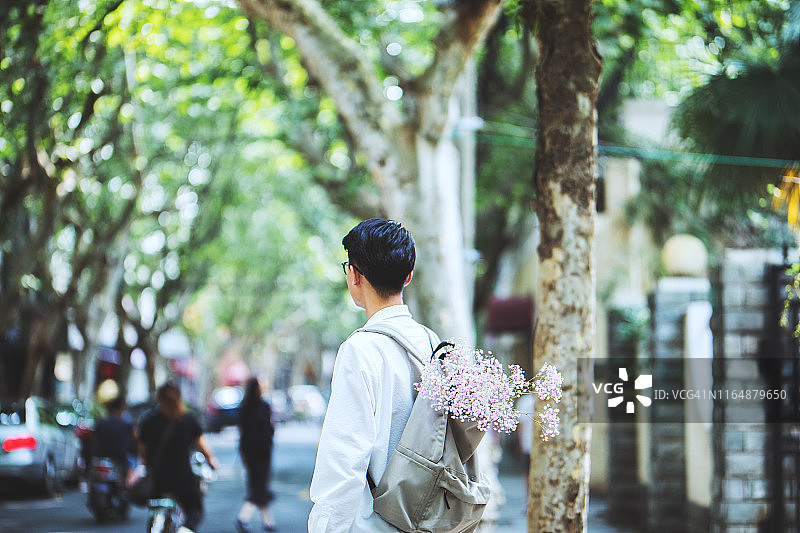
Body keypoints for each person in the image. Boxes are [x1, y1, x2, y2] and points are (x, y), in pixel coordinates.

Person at [308, 218, 435, 532]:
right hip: (431, 520)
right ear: (408, 276)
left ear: (353, 275)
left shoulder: (360, 350)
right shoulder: (433, 343)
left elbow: (343, 463)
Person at [138, 381, 218, 532]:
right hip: (182, 479)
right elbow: (204, 448)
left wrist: (145, 464)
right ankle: (185, 529)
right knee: (195, 510)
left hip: (157, 479)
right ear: (179, 398)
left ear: (159, 398)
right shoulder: (188, 421)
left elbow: (142, 451)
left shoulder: (148, 421)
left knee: (155, 509)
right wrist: (211, 461)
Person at [235, 377, 277, 533]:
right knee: (259, 487)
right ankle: (243, 518)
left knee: (258, 485)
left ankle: (268, 522)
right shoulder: (263, 407)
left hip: (249, 453)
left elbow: (242, 433)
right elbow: (268, 431)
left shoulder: (244, 408)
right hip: (262, 453)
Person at [93, 394, 137, 479]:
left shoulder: (100, 424)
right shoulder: (127, 425)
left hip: (101, 460)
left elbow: (93, 440)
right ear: (121, 408)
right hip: (121, 461)